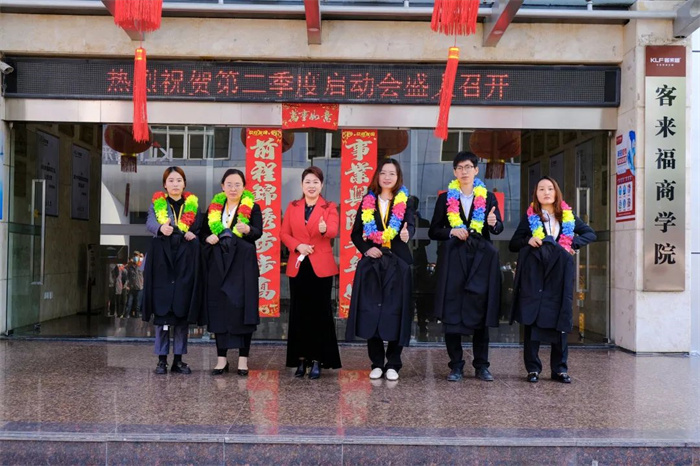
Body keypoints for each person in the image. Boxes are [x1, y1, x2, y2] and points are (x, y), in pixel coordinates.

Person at [509, 176, 596, 384]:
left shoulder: (567, 216)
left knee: (560, 321)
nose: (546, 192)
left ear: (556, 192)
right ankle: (533, 369)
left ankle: (559, 369)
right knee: (532, 321)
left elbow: (590, 234)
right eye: (541, 189)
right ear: (536, 194)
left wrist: (571, 244)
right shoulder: (530, 217)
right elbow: (513, 244)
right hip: (535, 276)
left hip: (559, 276)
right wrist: (528, 240)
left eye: (550, 188)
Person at [429, 151, 503, 382]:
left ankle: (482, 366)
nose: (464, 171)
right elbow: (434, 231)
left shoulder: (488, 197)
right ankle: (456, 366)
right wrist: (452, 231)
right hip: (453, 262)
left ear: (476, 170)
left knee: (480, 312)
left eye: (468, 167)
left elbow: (498, 228)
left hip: (480, 262)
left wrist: (493, 223)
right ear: (454, 171)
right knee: (452, 313)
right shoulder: (445, 199)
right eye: (460, 167)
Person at [346, 158, 415, 382]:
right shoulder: (368, 201)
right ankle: (376, 362)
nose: (387, 177)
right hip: (374, 265)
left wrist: (407, 234)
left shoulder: (405, 201)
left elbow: (410, 226)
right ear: (377, 176)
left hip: (398, 264)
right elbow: (356, 234)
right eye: (383, 173)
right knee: (372, 311)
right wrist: (367, 249)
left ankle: (393, 363)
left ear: (398, 177)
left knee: (396, 312)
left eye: (392, 173)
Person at [280, 166, 342, 379]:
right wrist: (298, 246)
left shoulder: (329, 207)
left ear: (321, 185)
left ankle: (317, 359)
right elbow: (284, 233)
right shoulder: (293, 206)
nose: (311, 185)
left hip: (321, 267)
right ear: (302, 185)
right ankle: (300, 360)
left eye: (316, 182)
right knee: (299, 313)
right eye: (308, 181)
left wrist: (324, 229)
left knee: (319, 314)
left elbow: (333, 230)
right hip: (299, 265)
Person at [201, 169, 262, 377]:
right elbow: (204, 233)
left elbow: (258, 231)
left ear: (244, 187)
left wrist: (248, 230)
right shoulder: (214, 207)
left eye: (237, 184)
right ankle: (222, 359)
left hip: (242, 266)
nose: (233, 188)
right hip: (219, 266)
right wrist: (208, 238)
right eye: (229, 184)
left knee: (244, 310)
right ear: (222, 186)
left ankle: (243, 360)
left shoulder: (252, 207)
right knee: (219, 310)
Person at [142, 166, 202, 375]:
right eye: (171, 180)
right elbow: (150, 223)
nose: (175, 184)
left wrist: (193, 234)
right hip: (162, 261)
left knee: (181, 314)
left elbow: (199, 227)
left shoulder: (192, 205)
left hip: (184, 261)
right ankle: (161, 360)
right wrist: (161, 228)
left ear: (184, 184)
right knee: (162, 314)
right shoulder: (157, 204)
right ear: (165, 185)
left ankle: (178, 360)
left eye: (179, 180)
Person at [123, 251, 144, 318]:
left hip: (139, 288)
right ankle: (126, 317)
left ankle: (136, 318)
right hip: (132, 288)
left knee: (137, 305)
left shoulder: (141, 265)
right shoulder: (130, 266)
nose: (135, 257)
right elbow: (126, 274)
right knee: (129, 303)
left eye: (137, 255)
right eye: (134, 255)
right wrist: (127, 285)